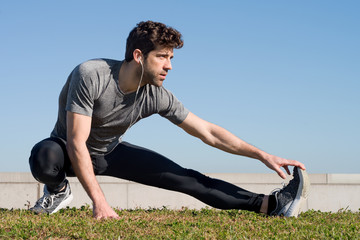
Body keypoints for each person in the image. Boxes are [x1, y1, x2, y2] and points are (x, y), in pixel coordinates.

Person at [29, 20, 309, 219]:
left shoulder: (156, 95)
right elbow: (77, 142)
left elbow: (208, 132)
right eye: (162, 56)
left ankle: (271, 205)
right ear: (139, 56)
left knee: (189, 179)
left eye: (171, 57)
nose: (169, 65)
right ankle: (58, 190)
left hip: (108, 152)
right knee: (43, 155)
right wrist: (100, 203)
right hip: (67, 150)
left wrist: (262, 155)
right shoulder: (92, 75)